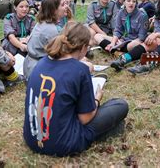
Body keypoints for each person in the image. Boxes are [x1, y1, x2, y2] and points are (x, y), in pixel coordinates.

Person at [23, 22, 129, 157]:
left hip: (31, 138)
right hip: (63, 144)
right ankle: (108, 130)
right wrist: (97, 98)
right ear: (84, 47)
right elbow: (85, 118)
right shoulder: (80, 70)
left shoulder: (42, 62)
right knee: (120, 105)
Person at [23, 0, 67, 80]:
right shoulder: (50, 29)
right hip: (38, 73)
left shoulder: (44, 22)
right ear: (54, 10)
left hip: (30, 66)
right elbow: (61, 56)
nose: (66, 6)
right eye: (62, 5)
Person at [107, 0, 149, 69]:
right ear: (124, 2)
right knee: (98, 36)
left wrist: (122, 43)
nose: (131, 3)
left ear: (136, 3)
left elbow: (141, 38)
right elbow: (118, 31)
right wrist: (113, 43)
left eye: (134, 1)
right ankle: (115, 48)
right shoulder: (121, 12)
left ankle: (119, 52)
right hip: (125, 40)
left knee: (132, 45)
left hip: (136, 42)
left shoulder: (142, 15)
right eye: (128, 1)